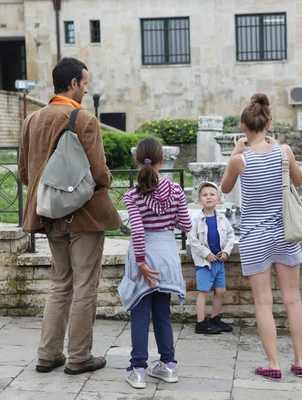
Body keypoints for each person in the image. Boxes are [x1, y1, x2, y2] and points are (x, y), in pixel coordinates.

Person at [18, 57, 122, 375]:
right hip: (85, 216)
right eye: (85, 83)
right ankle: (79, 358)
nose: (87, 90)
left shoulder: (32, 120)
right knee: (85, 285)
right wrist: (106, 182)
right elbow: (100, 173)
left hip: (47, 214)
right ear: (73, 84)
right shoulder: (83, 118)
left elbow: (24, 174)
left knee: (60, 284)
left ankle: (47, 355)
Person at [221, 93, 302, 380]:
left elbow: (224, 188)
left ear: (243, 126)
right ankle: (299, 361)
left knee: (263, 303)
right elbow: (299, 181)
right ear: (269, 123)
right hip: (285, 233)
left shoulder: (239, 160)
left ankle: (274, 364)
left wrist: (235, 152)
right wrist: (282, 154)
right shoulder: (285, 152)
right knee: (293, 300)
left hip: (254, 237)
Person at [118, 137, 192, 389]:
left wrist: (140, 262)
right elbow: (187, 225)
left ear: (136, 160)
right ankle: (168, 365)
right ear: (162, 160)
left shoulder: (132, 195)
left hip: (144, 257)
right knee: (162, 314)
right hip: (167, 256)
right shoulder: (176, 191)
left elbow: (137, 231)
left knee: (140, 315)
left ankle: (139, 369)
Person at [187, 181, 235, 334]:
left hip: (219, 262)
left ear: (218, 200)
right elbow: (192, 239)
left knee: (220, 291)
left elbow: (230, 236)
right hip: (204, 263)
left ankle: (214, 318)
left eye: (212, 194)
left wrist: (226, 251)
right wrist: (206, 253)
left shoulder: (222, 219)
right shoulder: (196, 219)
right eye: (205, 195)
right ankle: (201, 322)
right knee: (203, 291)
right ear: (199, 200)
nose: (209, 197)